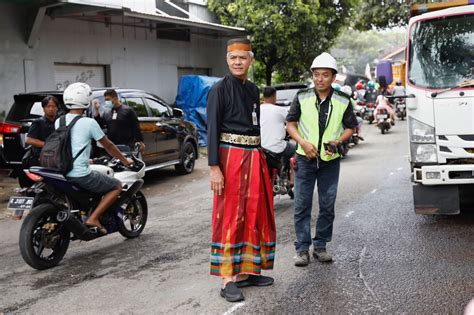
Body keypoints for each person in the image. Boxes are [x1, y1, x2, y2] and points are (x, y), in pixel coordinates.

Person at [207, 38, 276, 303]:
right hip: (230, 157)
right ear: (227, 59)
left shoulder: (253, 89)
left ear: (251, 59)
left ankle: (247, 271)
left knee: (254, 213)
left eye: (242, 57)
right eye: (233, 57)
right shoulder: (218, 90)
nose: (238, 62)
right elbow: (212, 129)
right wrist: (214, 168)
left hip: (254, 157)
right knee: (231, 215)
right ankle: (227, 279)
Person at [286, 52, 358, 266]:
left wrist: (337, 141)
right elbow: (291, 124)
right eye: (316, 75)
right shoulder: (302, 96)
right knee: (301, 204)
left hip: (330, 160)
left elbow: (350, 128)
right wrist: (303, 143)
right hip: (304, 158)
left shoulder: (343, 100)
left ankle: (320, 246)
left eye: (325, 75)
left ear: (333, 78)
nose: (319, 79)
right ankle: (302, 249)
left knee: (327, 205)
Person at [61, 82, 133, 235]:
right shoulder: (89, 122)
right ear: (85, 100)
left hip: (62, 170)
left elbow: (69, 145)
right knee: (116, 186)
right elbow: (109, 146)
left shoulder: (59, 121)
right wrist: (125, 160)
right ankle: (93, 218)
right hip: (80, 174)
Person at [94, 89, 145, 154]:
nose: (106, 102)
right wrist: (97, 110)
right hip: (113, 147)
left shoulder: (128, 110)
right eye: (105, 100)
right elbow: (100, 124)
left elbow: (136, 127)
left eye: (108, 99)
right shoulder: (107, 112)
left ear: (115, 98)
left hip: (127, 146)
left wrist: (140, 141)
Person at [260, 86, 296, 174]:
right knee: (297, 150)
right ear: (274, 96)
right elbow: (292, 124)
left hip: (260, 148)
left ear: (263, 97)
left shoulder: (256, 110)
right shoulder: (280, 110)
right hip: (277, 147)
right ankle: (292, 180)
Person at [25, 95, 59, 166]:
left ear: (57, 108)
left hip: (56, 158)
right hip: (40, 158)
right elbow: (29, 140)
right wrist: (48, 145)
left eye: (53, 106)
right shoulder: (38, 122)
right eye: (48, 106)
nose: (51, 109)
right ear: (43, 109)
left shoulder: (59, 122)